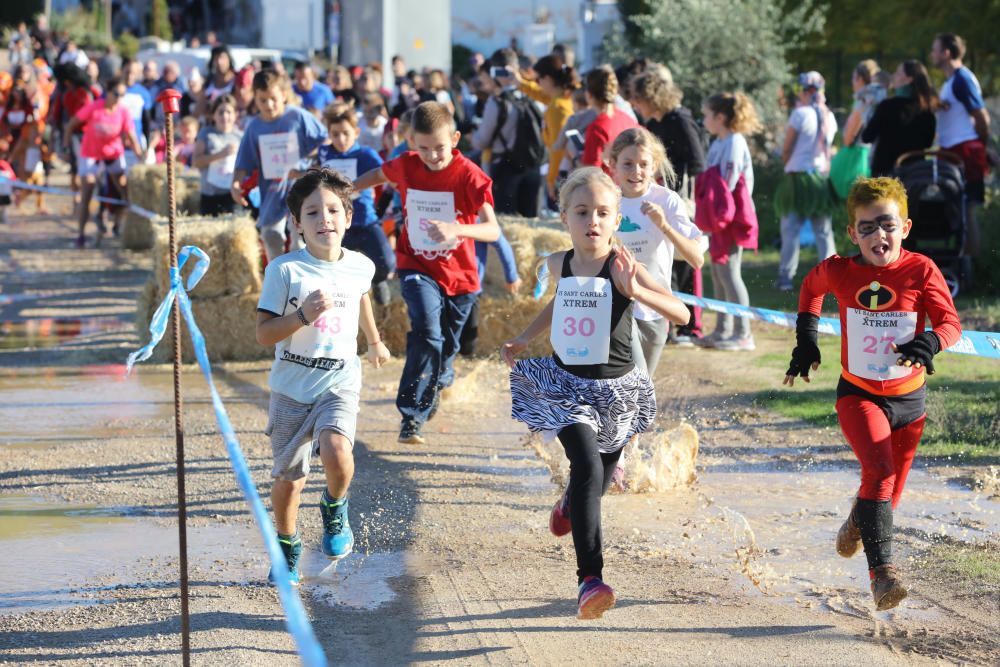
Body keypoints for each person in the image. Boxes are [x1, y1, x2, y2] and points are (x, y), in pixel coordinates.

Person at [501, 167, 689, 619]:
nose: (593, 221)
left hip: (618, 390)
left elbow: (680, 312)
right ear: (564, 217)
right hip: (568, 387)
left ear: (616, 218)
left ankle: (570, 502)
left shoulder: (624, 265)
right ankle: (591, 579)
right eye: (582, 212)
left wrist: (635, 289)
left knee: (598, 481)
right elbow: (559, 300)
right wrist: (525, 337)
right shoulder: (557, 263)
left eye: (603, 213)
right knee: (584, 465)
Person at [783, 176, 961, 610]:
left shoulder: (921, 270)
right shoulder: (841, 271)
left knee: (888, 493)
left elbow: (950, 323)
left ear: (905, 227)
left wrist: (931, 342)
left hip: (911, 400)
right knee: (879, 474)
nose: (878, 235)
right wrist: (806, 340)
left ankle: (858, 520)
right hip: (859, 395)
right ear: (852, 233)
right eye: (867, 227)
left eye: (887, 224)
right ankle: (883, 577)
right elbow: (810, 289)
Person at [256, 168, 391, 584]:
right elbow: (264, 334)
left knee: (337, 452)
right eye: (312, 212)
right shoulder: (284, 271)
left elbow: (361, 301)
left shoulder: (361, 266)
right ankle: (287, 547)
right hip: (291, 391)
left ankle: (335, 507)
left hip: (339, 380)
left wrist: (374, 340)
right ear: (297, 224)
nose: (324, 219)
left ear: (349, 217)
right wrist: (301, 316)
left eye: (333, 209)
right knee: (290, 481)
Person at [353, 101, 500, 444]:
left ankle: (440, 377)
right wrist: (348, 188)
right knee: (427, 331)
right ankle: (411, 417)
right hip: (416, 265)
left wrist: (457, 230)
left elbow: (492, 230)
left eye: (440, 148)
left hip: (461, 278)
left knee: (445, 350)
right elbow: (378, 175)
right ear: (410, 144)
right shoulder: (406, 164)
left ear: (456, 138)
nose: (432, 156)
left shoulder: (469, 175)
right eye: (424, 149)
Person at [607, 127, 704, 374]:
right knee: (631, 382)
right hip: (615, 306)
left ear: (654, 166)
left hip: (655, 307)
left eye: (643, 164)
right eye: (627, 164)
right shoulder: (607, 200)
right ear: (613, 165)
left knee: (642, 388)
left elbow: (696, 259)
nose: (636, 171)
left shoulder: (667, 200)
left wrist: (665, 226)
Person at [629, 67, 706, 344]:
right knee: (665, 262)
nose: (634, 105)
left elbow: (698, 161)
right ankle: (670, 323)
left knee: (685, 261)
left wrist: (677, 190)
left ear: (650, 96)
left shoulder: (680, 120)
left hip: (681, 199)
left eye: (637, 98)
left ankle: (691, 325)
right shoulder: (656, 124)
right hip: (659, 195)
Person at [231, 69, 328, 261]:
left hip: (302, 187)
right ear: (255, 99)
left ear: (283, 95)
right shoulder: (254, 127)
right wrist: (235, 183)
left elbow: (324, 141)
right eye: (263, 100)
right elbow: (244, 160)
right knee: (271, 236)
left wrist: (313, 161)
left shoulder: (298, 116)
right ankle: (280, 279)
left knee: (301, 238)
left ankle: (302, 280)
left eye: (273, 98)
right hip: (273, 190)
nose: (269, 105)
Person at [697, 92, 762, 351]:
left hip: (731, 219)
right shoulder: (718, 142)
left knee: (731, 273)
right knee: (718, 273)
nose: (704, 120)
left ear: (720, 117)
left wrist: (716, 212)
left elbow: (729, 183)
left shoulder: (735, 142)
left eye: (706, 115)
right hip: (717, 218)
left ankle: (743, 333)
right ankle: (722, 329)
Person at [316, 102, 394, 305]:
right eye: (335, 134)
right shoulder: (325, 153)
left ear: (356, 132)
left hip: (365, 218)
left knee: (387, 262)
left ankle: (378, 281)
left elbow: (385, 172)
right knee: (333, 268)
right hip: (338, 225)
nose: (340, 139)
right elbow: (315, 171)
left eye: (345, 133)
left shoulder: (365, 154)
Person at [774, 71, 838, 291]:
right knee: (823, 230)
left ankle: (785, 276)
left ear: (805, 91)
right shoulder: (829, 115)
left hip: (798, 179)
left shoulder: (800, 114)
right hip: (820, 179)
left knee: (790, 229)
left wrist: (786, 164)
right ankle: (831, 276)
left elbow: (787, 147)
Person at [930, 33, 992, 257]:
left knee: (968, 210)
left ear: (946, 53)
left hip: (964, 152)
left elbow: (981, 116)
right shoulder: (951, 81)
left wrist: (981, 146)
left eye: (935, 50)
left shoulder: (962, 79)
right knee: (957, 210)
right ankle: (962, 262)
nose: (932, 54)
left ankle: (971, 267)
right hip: (953, 151)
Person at [63, 78, 142, 247]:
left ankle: (120, 225)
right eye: (116, 94)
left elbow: (131, 136)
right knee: (87, 192)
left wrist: (140, 157)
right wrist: (66, 146)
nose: (120, 98)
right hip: (91, 154)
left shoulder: (123, 111)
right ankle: (81, 235)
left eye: (123, 95)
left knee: (124, 190)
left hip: (113, 153)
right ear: (108, 93)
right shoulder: (95, 107)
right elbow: (71, 124)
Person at [471, 48, 544, 217]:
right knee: (531, 222)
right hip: (533, 165)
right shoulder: (533, 98)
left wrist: (473, 136)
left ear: (495, 71)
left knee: (507, 221)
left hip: (506, 167)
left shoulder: (497, 102)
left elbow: (482, 141)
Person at [517, 54, 578, 207]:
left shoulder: (556, 108)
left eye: (539, 80)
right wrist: (519, 82)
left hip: (562, 176)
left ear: (549, 79)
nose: (537, 85)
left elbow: (558, 150)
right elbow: (541, 94)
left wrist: (551, 181)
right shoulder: (565, 99)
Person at [862, 60, 937, 178]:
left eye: (898, 73)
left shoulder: (886, 106)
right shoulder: (926, 110)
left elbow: (867, 137)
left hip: (885, 177)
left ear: (909, 79)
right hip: (915, 176)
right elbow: (928, 142)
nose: (893, 76)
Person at [580, 65, 637, 173]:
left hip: (609, 186)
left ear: (589, 94)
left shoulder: (597, 128)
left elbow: (590, 174)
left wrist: (574, 158)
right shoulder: (627, 118)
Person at [194, 94, 243, 215]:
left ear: (235, 115)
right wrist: (220, 154)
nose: (225, 116)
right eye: (220, 112)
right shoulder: (206, 133)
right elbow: (196, 162)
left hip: (232, 195)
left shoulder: (241, 136)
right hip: (210, 195)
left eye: (229, 112)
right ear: (213, 115)